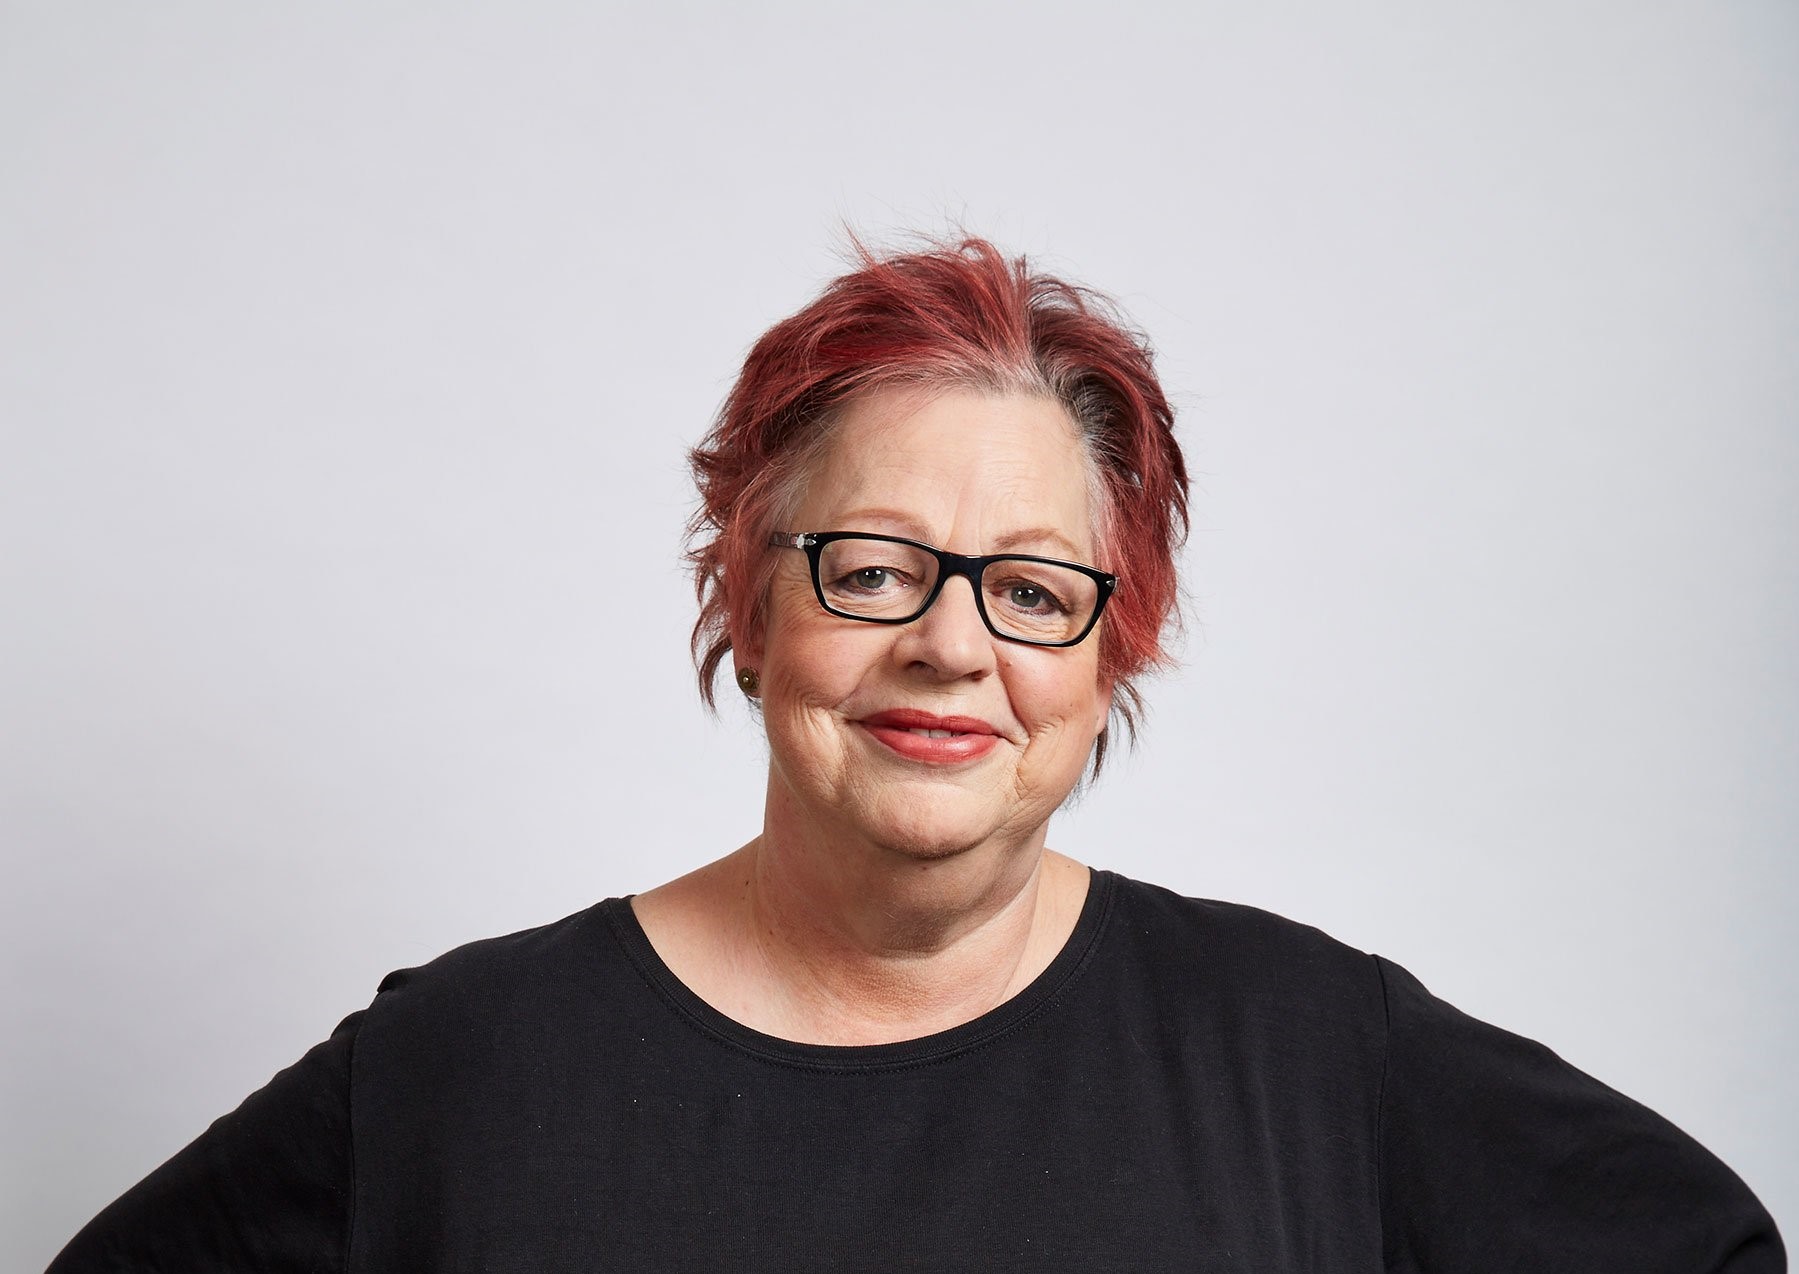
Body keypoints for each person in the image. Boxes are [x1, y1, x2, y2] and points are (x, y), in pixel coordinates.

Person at [50, 237, 1783, 1272]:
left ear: (1112, 647)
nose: (952, 644)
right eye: (873, 568)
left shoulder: (1312, 1056)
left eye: (1030, 588)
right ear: (749, 595)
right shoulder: (466, 1069)